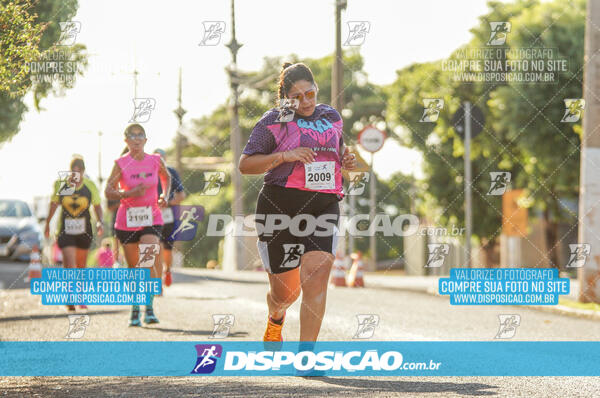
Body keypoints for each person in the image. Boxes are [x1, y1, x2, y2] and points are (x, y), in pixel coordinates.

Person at [238, 62, 357, 344]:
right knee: (286, 294)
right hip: (280, 208)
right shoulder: (274, 120)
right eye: (297, 96)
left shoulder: (331, 116)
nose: (305, 101)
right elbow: (245, 165)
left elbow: (338, 153)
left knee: (315, 281)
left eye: (310, 94)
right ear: (285, 97)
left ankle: (306, 355)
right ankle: (275, 316)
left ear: (317, 89)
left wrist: (348, 161)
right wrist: (285, 156)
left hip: (323, 207)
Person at [105, 124, 171, 326]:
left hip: (151, 217)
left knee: (148, 260)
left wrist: (164, 195)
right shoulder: (121, 163)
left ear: (145, 140)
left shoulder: (155, 160)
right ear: (125, 141)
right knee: (134, 268)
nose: (136, 139)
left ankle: (149, 309)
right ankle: (135, 309)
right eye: (131, 136)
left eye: (139, 135)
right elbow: (108, 190)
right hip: (127, 220)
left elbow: (166, 177)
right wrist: (129, 194)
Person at [45, 156, 103, 312]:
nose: (75, 176)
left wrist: (100, 222)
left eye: (79, 172)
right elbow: (54, 204)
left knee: (81, 266)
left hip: (84, 230)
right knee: (69, 264)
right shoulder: (63, 185)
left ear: (83, 172)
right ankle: (70, 297)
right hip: (65, 231)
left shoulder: (90, 186)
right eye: (73, 172)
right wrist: (47, 223)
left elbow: (97, 206)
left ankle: (81, 295)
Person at [153, 149, 186, 288]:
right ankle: (158, 281)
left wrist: (168, 202)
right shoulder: (149, 173)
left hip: (169, 215)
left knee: (167, 248)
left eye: (162, 158)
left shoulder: (171, 172)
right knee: (157, 247)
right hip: (153, 215)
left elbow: (182, 195)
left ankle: (167, 270)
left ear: (165, 159)